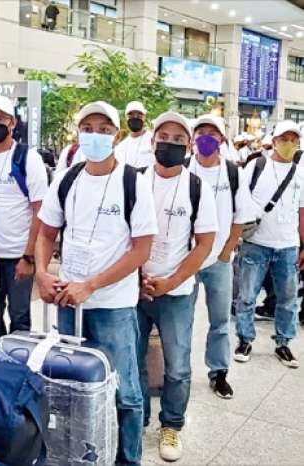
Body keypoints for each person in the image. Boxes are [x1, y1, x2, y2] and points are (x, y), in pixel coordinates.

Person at [36, 101, 158, 466]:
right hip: (70, 304)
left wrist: (92, 285)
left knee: (125, 392)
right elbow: (45, 233)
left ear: (117, 136)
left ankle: (127, 460)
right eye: (87, 128)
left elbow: (141, 250)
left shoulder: (133, 182)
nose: (95, 135)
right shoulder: (68, 178)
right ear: (78, 134)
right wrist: (43, 271)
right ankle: (80, 455)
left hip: (114, 305)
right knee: (73, 387)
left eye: (104, 130)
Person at [136, 111, 218, 462]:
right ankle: (136, 417)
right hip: (135, 289)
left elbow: (204, 244)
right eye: (163, 138)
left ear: (188, 147)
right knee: (133, 358)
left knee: (178, 365)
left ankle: (172, 424)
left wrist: (170, 280)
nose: (169, 144)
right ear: (152, 141)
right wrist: (136, 273)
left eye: (178, 140)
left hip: (177, 292)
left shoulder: (198, 188)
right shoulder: (135, 181)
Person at [187, 115, 255, 399]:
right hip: (186, 262)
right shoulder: (182, 169)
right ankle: (178, 375)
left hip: (219, 261)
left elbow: (240, 216)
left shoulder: (232, 173)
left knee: (219, 321)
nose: (206, 138)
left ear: (223, 140)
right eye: (200, 132)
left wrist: (226, 251)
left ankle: (219, 372)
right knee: (181, 321)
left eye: (212, 134)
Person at [0, 95, 47, 349]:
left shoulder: (28, 159)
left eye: (0, 119)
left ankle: (19, 371)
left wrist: (29, 257)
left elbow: (40, 211)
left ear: (13, 123)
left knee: (20, 319)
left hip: (18, 256)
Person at [234, 120, 304, 369]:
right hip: (256, 242)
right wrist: (235, 236)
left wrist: (303, 244)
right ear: (274, 141)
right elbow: (240, 201)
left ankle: (283, 342)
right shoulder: (256, 166)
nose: (289, 144)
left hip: (288, 245)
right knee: (247, 296)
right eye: (285, 139)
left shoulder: (300, 173)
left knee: (287, 299)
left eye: (294, 140)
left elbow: (302, 211)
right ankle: (244, 339)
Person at [115, 101, 155, 169]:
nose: (135, 118)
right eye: (131, 116)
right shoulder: (120, 148)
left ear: (145, 118)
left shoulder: (154, 140)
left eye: (139, 116)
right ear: (125, 119)